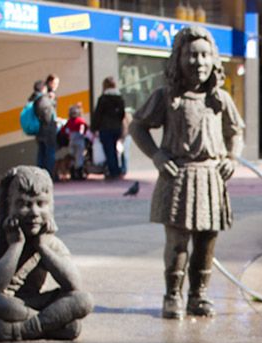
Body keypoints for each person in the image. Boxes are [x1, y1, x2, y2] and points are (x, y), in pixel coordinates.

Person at [129, 26, 245, 320]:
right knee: (178, 242)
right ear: (178, 59)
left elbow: (236, 132)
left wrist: (232, 157)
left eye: (205, 55)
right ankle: (172, 296)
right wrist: (156, 155)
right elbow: (138, 126)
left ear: (214, 60)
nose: (199, 62)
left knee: (207, 241)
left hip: (210, 178)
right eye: (192, 55)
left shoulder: (220, 99)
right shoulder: (166, 96)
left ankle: (199, 295)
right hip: (178, 177)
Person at [0, 166, 93, 342]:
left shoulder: (50, 243)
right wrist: (16, 245)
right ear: (7, 207)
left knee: (83, 300)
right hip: (4, 304)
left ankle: (19, 330)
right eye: (24, 204)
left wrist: (42, 247)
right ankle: (50, 324)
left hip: (33, 302)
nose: (34, 212)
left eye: (41, 204)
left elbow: (74, 284)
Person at [91, 77, 127, 179]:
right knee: (115, 150)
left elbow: (98, 115)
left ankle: (112, 171)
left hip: (105, 128)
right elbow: (122, 114)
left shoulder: (103, 99)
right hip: (117, 128)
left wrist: (94, 128)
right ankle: (117, 169)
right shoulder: (119, 98)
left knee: (109, 150)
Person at [31, 80, 58, 180]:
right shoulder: (43, 100)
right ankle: (48, 175)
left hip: (40, 132)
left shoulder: (34, 99)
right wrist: (52, 101)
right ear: (43, 88)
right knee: (49, 153)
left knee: (41, 154)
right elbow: (48, 116)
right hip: (47, 132)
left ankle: (40, 175)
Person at [63, 104, 89, 180]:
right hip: (79, 141)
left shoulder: (69, 121)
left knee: (72, 157)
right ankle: (79, 174)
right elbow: (85, 128)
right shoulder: (80, 121)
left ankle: (72, 174)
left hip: (71, 141)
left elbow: (64, 130)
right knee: (79, 157)